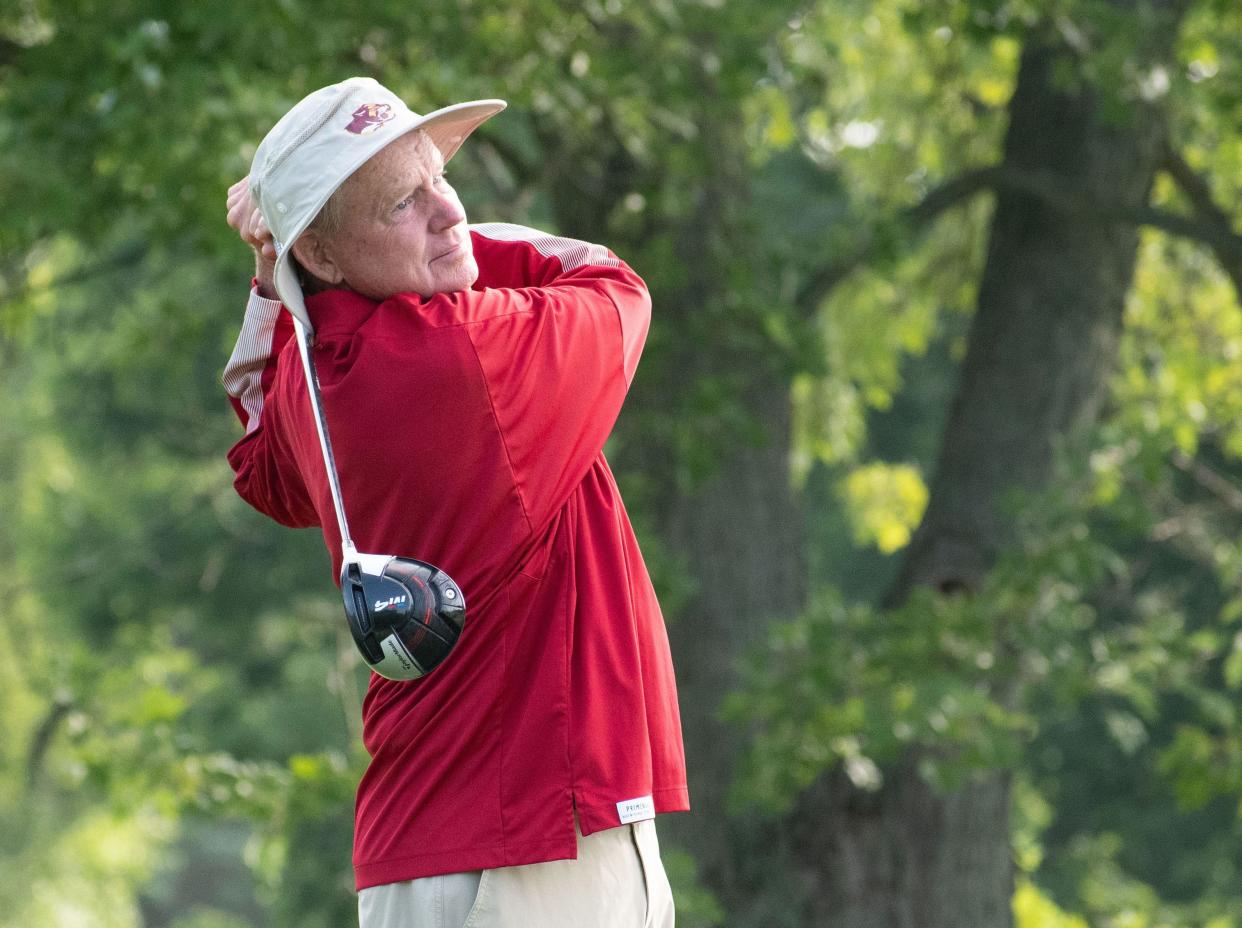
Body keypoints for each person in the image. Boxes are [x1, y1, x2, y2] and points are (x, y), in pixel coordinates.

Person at [220, 76, 689, 927]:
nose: (447, 212)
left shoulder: (311, 370)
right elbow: (613, 283)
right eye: (404, 201)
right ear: (324, 257)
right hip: (539, 841)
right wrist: (292, 257)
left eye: (441, 175)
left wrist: (277, 277)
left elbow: (261, 468)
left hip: (422, 855)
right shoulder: (467, 353)